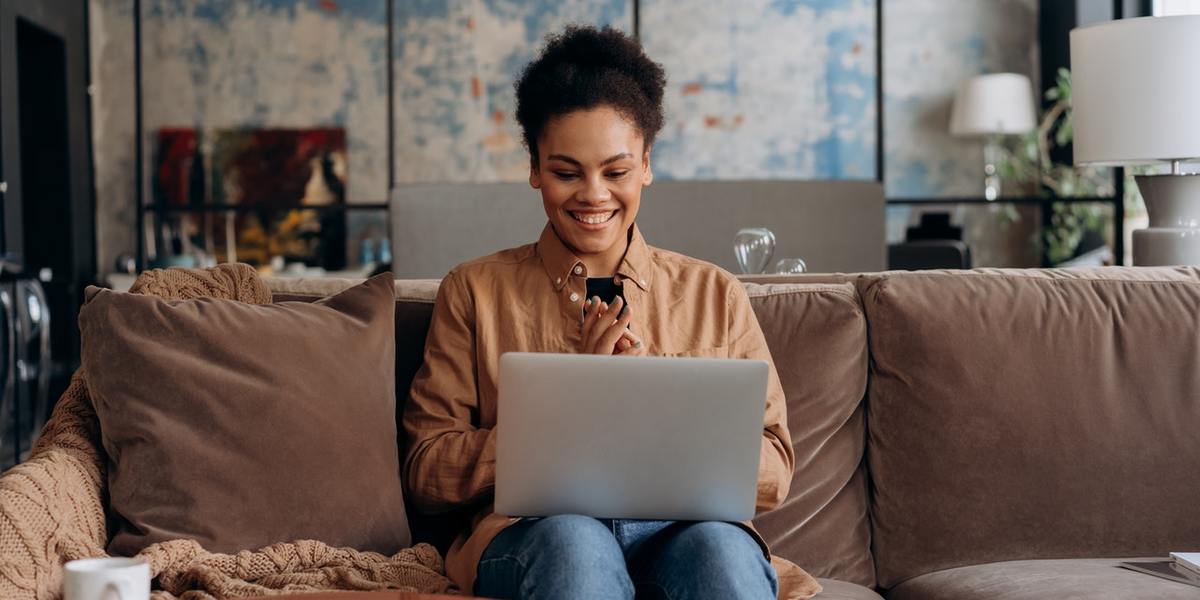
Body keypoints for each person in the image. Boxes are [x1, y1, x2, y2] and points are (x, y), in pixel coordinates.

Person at [402, 25, 812, 600]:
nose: (593, 195)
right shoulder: (474, 291)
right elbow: (426, 469)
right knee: (577, 546)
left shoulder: (715, 294)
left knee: (720, 552)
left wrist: (655, 408)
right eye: (567, 172)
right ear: (534, 169)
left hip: (684, 532)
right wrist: (569, 413)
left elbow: (774, 471)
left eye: (616, 172)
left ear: (646, 164)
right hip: (538, 535)